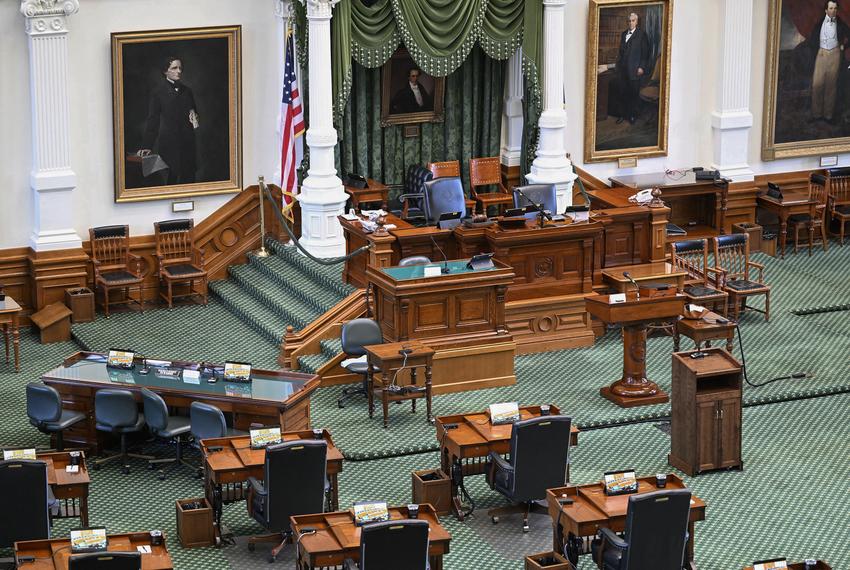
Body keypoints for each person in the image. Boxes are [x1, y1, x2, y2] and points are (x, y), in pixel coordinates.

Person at [137, 56, 199, 185]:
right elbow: (153, 121)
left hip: (188, 143)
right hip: (169, 145)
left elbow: (193, 113)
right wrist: (147, 145)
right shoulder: (158, 93)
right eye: (174, 68)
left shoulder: (187, 91)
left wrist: (195, 118)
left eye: (180, 68)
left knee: (189, 180)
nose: (179, 71)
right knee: (172, 180)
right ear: (166, 71)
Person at [805, 1, 850, 123]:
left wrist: (843, 47)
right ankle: (816, 114)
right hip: (821, 53)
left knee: (831, 85)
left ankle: (828, 116)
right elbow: (812, 39)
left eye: (835, 8)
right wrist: (817, 50)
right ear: (826, 10)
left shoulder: (840, 23)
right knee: (817, 84)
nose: (833, 11)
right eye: (831, 8)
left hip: (835, 54)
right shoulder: (820, 23)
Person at [614, 12, 651, 125]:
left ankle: (632, 115)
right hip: (623, 70)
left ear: (636, 22)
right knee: (623, 93)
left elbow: (645, 53)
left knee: (633, 94)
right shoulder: (624, 34)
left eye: (633, 21)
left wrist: (641, 67)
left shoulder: (641, 34)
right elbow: (621, 52)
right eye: (629, 21)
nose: (631, 23)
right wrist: (618, 66)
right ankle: (622, 115)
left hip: (635, 70)